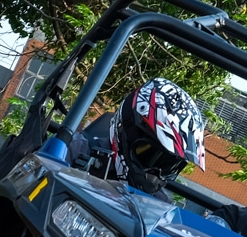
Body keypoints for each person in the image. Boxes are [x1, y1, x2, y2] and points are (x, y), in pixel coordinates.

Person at [70, 78, 207, 195]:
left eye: (168, 166)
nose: (155, 176)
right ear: (127, 132)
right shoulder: (75, 151)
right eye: (148, 155)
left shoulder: (158, 207)